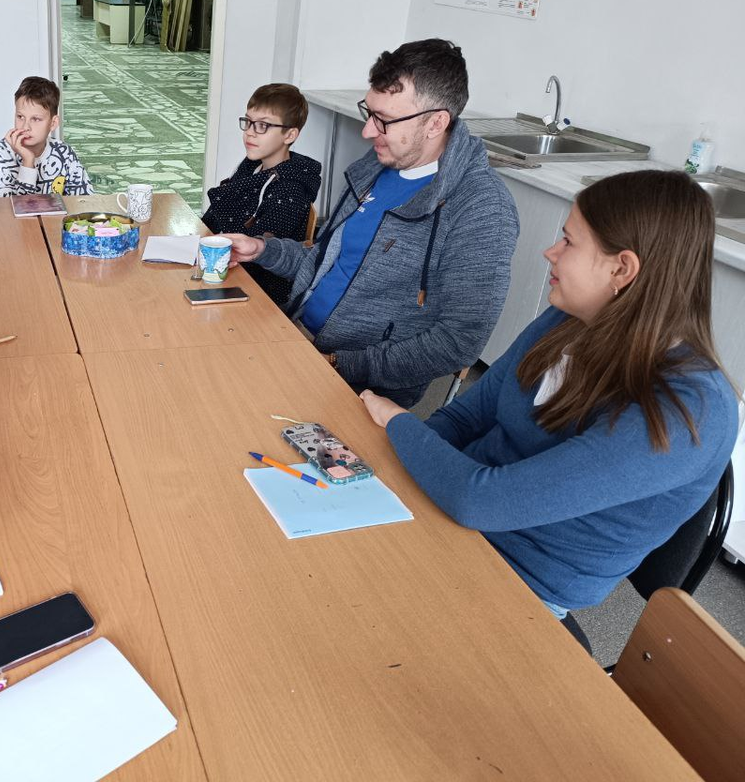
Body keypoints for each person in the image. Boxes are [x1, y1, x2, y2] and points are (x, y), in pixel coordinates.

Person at [361, 170, 738, 618]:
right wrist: (387, 479)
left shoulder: (689, 411)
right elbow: (464, 419)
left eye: (569, 242)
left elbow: (480, 501)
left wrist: (397, 422)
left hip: (519, 584)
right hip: (448, 518)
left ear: (621, 269)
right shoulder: (570, 319)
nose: (550, 252)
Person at [223, 39, 518, 407]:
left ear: (436, 123)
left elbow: (459, 342)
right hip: (295, 336)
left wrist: (339, 363)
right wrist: (263, 250)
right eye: (369, 112)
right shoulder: (378, 166)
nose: (367, 131)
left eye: (384, 120)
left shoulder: (481, 207)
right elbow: (327, 262)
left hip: (361, 387)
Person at [201, 83, 322, 303]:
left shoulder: (291, 190)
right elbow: (215, 217)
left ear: (290, 135)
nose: (249, 132)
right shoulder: (251, 165)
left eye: (262, 126)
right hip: (231, 270)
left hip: (261, 290)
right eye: (248, 122)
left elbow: (256, 254)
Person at [0, 75, 92, 197]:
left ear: (53, 123)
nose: (25, 127)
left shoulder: (64, 153)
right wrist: (28, 160)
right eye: (20, 117)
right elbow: (14, 207)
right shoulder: (1, 153)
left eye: (36, 119)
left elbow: (85, 200)